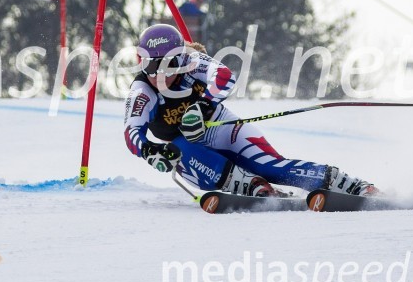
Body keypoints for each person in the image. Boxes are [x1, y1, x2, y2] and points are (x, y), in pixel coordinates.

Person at [123, 23, 378, 197]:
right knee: (179, 147)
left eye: (168, 64)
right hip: (194, 156)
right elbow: (131, 132)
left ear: (180, 56)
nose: (159, 74)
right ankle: (253, 188)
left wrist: (203, 104)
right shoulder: (142, 90)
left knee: (271, 167)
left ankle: (350, 184)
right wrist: (148, 149)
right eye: (150, 65)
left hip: (223, 128)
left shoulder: (192, 62)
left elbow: (224, 76)